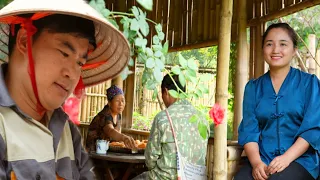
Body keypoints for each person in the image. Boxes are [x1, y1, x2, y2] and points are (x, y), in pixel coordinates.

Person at [0, 0, 130, 179]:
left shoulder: (66, 129)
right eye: (64, 53)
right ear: (24, 40)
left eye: (80, 63)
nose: (72, 74)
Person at [234, 23, 320, 180]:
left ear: (294, 50)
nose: (275, 50)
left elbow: (312, 129)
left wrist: (286, 158)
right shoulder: (253, 88)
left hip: (300, 160)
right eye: (269, 44)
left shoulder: (310, 83)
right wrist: (256, 163)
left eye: (283, 44)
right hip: (262, 158)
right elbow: (249, 130)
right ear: (262, 49)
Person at [134, 74, 209, 180]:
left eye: (162, 94)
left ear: (166, 91)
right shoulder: (202, 119)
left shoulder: (163, 118)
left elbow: (150, 159)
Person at [86, 85, 136, 151]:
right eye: (117, 101)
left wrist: (123, 141)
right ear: (109, 103)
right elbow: (110, 131)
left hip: (107, 152)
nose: (121, 103)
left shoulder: (118, 116)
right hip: (94, 153)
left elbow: (117, 135)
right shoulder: (105, 115)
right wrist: (124, 138)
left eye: (123, 100)